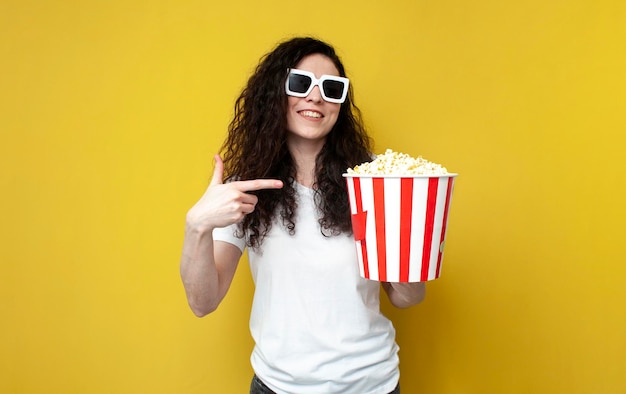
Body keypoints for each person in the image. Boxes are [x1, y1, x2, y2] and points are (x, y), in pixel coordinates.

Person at [180, 36, 425, 394]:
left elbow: (406, 297)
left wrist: (414, 247)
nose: (316, 97)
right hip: (279, 387)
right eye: (299, 83)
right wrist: (197, 227)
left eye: (331, 88)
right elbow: (203, 302)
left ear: (341, 102)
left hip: (372, 385)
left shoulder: (375, 178)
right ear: (275, 94)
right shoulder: (243, 188)